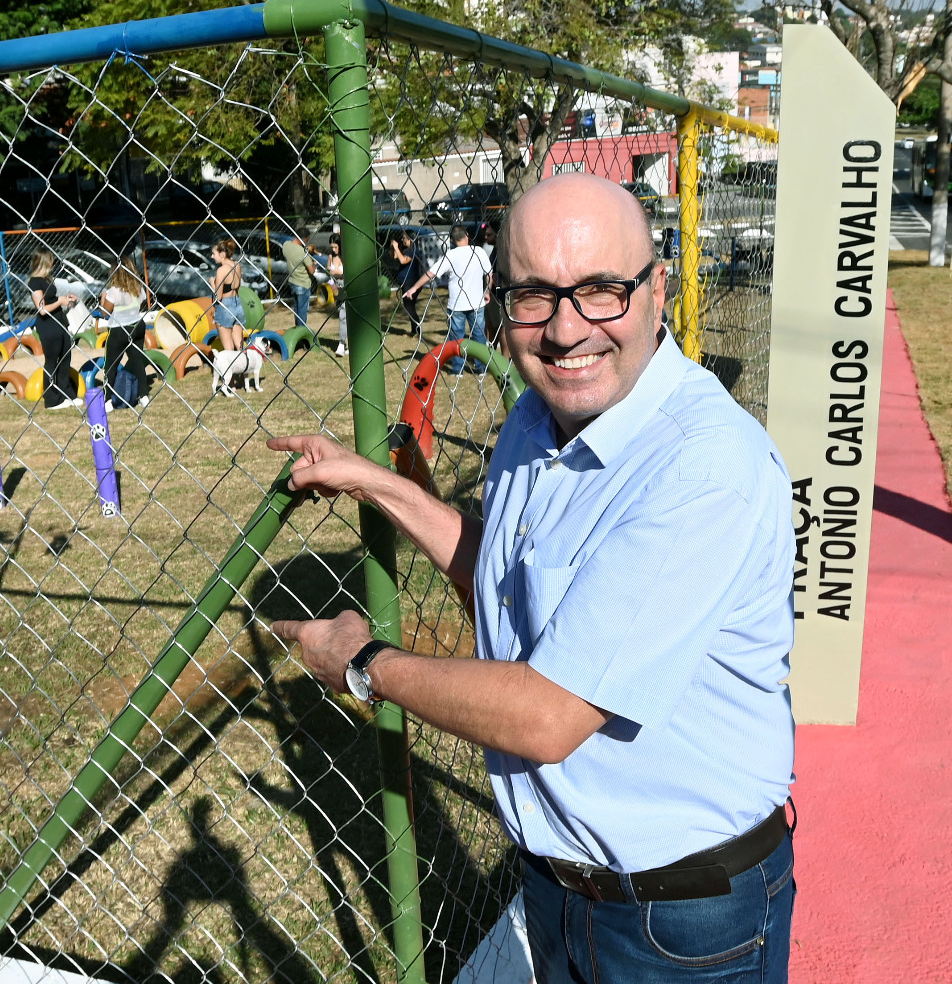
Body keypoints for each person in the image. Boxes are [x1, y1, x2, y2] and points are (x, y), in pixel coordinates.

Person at [265, 173, 796, 984]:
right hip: (555, 890)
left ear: (658, 290)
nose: (566, 330)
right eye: (535, 297)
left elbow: (549, 715)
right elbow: (509, 591)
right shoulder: (535, 418)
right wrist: (382, 486)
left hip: (685, 918)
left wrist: (363, 664)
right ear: (499, 303)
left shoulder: (702, 466)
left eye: (600, 291)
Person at [409, 224, 493, 374]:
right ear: (467, 235)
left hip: (457, 305)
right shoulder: (478, 252)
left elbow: (431, 273)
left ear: (452, 240)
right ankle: (482, 367)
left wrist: (414, 288)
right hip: (476, 303)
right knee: (479, 336)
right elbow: (489, 274)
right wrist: (487, 291)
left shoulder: (450, 256)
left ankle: (457, 369)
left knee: (456, 338)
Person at [29, 251, 79, 410]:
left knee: (65, 357)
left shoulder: (47, 280)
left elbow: (53, 301)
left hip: (59, 322)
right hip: (47, 325)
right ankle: (52, 400)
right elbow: (42, 309)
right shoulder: (34, 282)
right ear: (44, 263)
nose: (53, 265)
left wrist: (67, 300)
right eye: (51, 261)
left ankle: (67, 394)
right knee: (52, 361)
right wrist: (60, 301)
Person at [100, 262, 150, 410]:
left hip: (118, 330)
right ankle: (144, 395)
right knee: (137, 361)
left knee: (110, 365)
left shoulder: (114, 291)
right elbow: (141, 302)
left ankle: (108, 399)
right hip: (137, 326)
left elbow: (105, 313)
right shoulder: (138, 287)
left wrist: (104, 297)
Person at [390, 230, 429, 336]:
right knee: (409, 306)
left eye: (404, 238)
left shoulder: (413, 250)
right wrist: (393, 247)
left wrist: (397, 248)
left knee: (409, 306)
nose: (402, 240)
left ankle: (417, 329)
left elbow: (403, 261)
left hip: (411, 283)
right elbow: (394, 257)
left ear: (410, 239)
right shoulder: (406, 250)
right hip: (406, 282)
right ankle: (414, 329)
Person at [209, 239, 245, 352]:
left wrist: (212, 284)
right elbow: (237, 287)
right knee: (239, 343)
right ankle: (245, 364)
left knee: (228, 347)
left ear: (222, 254)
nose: (212, 256)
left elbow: (218, 297)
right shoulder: (237, 265)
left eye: (214, 254)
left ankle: (231, 367)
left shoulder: (222, 270)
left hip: (225, 306)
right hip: (237, 304)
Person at [281, 228, 314, 328]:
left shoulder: (286, 245)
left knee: (297, 309)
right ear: (305, 239)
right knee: (302, 311)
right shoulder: (303, 252)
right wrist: (312, 258)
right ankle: (301, 331)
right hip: (303, 283)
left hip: (292, 281)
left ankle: (297, 329)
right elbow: (312, 270)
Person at [328, 237, 347, 357]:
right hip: (337, 291)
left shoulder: (346, 257)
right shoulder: (331, 257)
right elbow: (328, 272)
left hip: (347, 289)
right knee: (343, 316)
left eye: (336, 247)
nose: (334, 250)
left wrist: (337, 273)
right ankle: (345, 345)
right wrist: (332, 284)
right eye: (332, 247)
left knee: (343, 317)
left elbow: (346, 272)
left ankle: (341, 344)